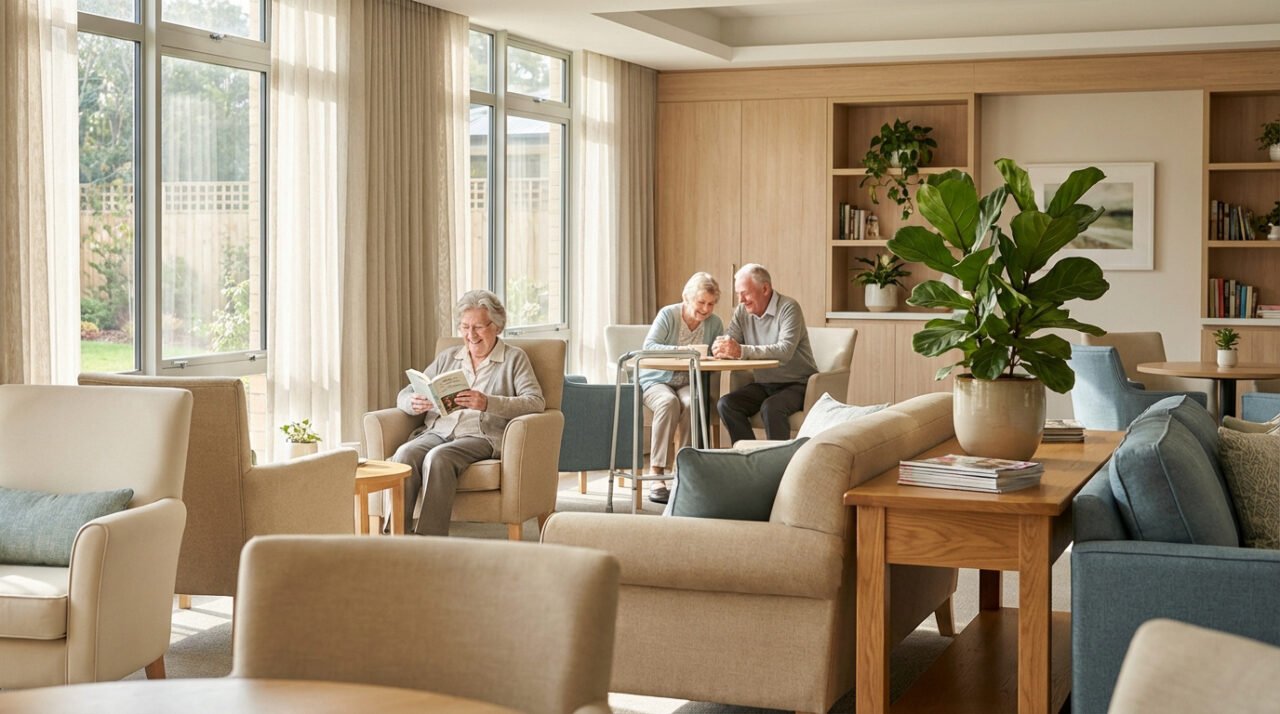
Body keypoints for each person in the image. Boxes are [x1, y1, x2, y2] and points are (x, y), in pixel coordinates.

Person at [390, 290, 545, 536]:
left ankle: (429, 538)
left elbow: (535, 402)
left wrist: (487, 403)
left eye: (478, 327)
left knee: (439, 458)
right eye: (464, 327)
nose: (470, 335)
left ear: (497, 326)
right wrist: (414, 402)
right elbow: (404, 394)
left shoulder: (514, 359)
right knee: (405, 454)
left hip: (480, 436)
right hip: (439, 429)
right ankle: (396, 533)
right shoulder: (448, 357)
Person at [640, 272, 723, 504]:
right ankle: (656, 473)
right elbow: (648, 347)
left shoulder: (715, 323)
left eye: (710, 304)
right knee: (668, 402)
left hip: (688, 382)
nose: (705, 309)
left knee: (692, 402)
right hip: (656, 380)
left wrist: (719, 351)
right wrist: (682, 351)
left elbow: (716, 355)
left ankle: (682, 470)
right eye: (701, 302)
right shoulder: (668, 314)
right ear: (687, 297)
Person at [714, 263, 817, 443]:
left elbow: (784, 351)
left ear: (765, 288)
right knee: (726, 404)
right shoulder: (742, 312)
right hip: (764, 383)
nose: (740, 300)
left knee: (771, 407)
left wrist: (740, 350)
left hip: (797, 383)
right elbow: (731, 339)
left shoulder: (789, 308)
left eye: (744, 293)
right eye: (738, 294)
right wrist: (721, 346)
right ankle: (751, 459)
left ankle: (777, 464)